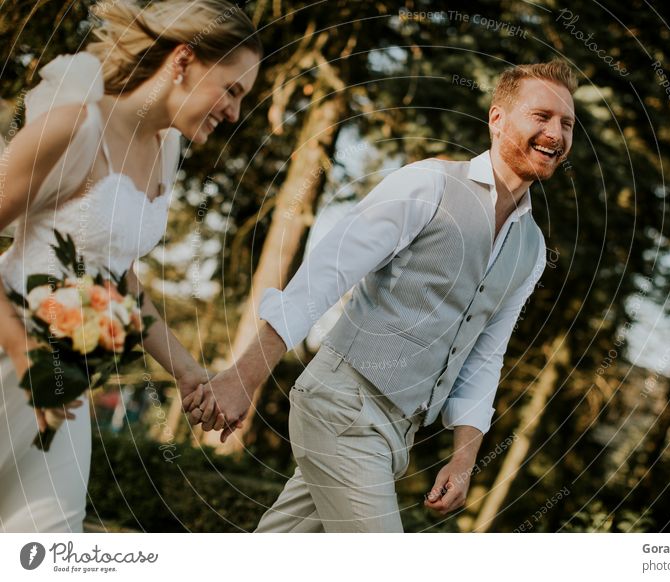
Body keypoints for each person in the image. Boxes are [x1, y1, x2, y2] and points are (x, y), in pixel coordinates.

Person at [191, 60, 577, 532]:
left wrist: (464, 459)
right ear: (497, 119)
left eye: (567, 123)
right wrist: (243, 376)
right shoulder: (428, 184)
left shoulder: (532, 249)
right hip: (343, 408)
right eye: (541, 116)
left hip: (398, 433)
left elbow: (484, 356)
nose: (555, 133)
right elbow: (324, 276)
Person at [0, 0, 261, 532]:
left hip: (64, 389)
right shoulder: (72, 126)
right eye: (231, 90)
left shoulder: (163, 150)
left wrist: (188, 371)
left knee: (48, 542)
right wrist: (24, 352)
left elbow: (117, 276)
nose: (234, 113)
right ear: (184, 60)